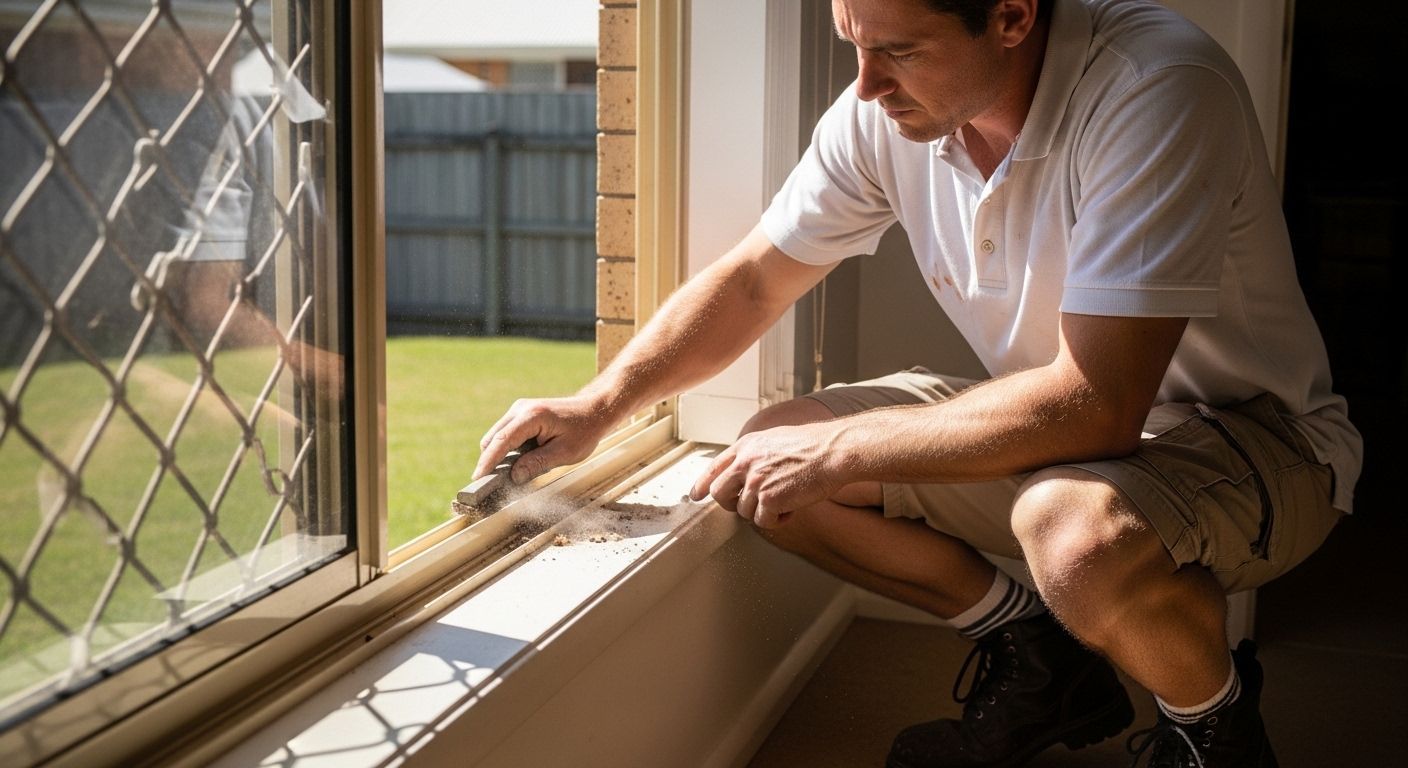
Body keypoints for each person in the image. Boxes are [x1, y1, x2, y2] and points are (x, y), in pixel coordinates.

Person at [474, 0, 1361, 765]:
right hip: (1070, 437)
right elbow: (752, 283)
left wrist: (843, 448)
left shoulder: (1157, 88)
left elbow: (1099, 406)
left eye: (898, 50)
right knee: (767, 461)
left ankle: (1214, 730)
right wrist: (599, 406)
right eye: (855, 44)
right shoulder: (885, 114)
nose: (866, 85)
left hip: (1259, 443)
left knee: (1072, 532)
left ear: (1012, 16)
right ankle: (1041, 664)